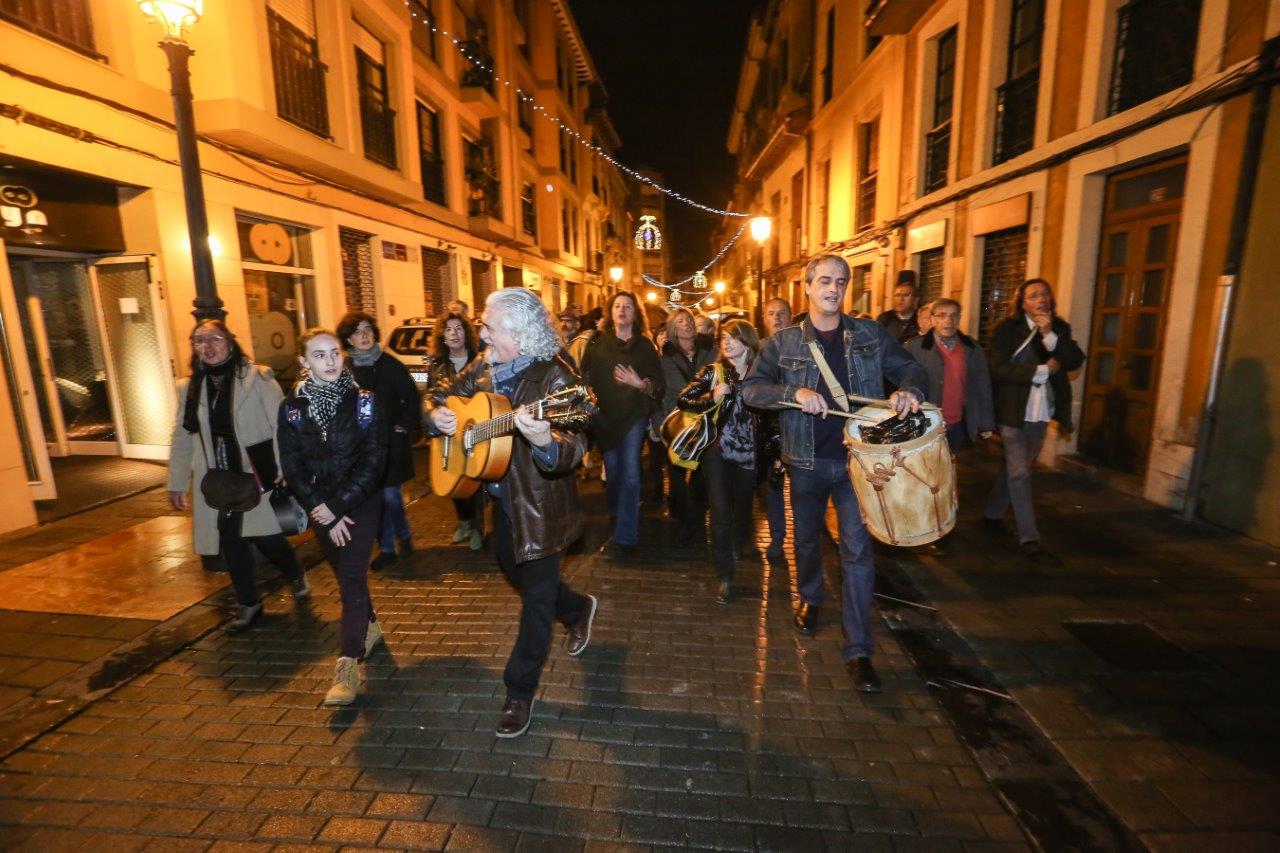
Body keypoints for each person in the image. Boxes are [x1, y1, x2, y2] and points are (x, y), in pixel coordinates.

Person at [743, 254, 927, 693]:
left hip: (855, 462)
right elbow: (751, 389)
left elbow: (912, 367)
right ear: (806, 287)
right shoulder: (783, 343)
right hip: (804, 462)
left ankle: (859, 650)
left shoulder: (868, 333)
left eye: (840, 282)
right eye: (824, 281)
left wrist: (908, 390)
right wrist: (794, 392)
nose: (832, 288)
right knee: (806, 540)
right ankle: (810, 595)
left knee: (858, 553)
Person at [425, 288, 597, 738]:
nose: (481, 334)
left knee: (536, 603)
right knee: (515, 573)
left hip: (541, 508)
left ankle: (519, 691)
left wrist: (544, 442)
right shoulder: (484, 365)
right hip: (501, 502)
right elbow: (440, 392)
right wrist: (438, 417)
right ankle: (577, 608)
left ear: (518, 334)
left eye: (489, 327)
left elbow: (575, 447)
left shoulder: (558, 381)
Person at [167, 320, 309, 633]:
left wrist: (286, 467)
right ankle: (249, 602)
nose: (208, 345)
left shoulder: (257, 378)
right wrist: (177, 482)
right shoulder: (189, 387)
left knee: (268, 538)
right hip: (217, 479)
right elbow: (182, 436)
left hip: (255, 473)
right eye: (199, 340)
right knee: (231, 541)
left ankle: (295, 573)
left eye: (215, 338)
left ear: (230, 342)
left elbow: (281, 425)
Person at [278, 328, 388, 705]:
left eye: (334, 353)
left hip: (361, 501)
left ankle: (348, 665)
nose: (329, 361)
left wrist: (338, 506)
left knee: (352, 579)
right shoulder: (292, 408)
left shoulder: (365, 402)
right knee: (347, 575)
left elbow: (375, 462)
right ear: (303, 362)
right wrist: (320, 508)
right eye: (319, 355)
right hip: (321, 505)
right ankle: (369, 629)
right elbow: (292, 467)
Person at [983, 279, 1085, 558]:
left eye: (1045, 294)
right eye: (1033, 295)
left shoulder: (1060, 328)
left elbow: (1074, 360)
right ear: (1023, 303)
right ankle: (1029, 537)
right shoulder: (1007, 330)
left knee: (1018, 467)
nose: (1040, 299)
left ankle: (992, 512)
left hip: (1041, 412)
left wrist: (1049, 334)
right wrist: (1041, 371)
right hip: (1012, 412)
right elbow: (998, 369)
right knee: (1020, 473)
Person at [677, 319, 761, 604]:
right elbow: (684, 399)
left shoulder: (762, 374)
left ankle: (738, 542)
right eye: (724, 337)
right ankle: (725, 576)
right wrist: (711, 398)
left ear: (748, 342)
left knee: (743, 512)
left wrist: (776, 456)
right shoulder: (714, 372)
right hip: (718, 452)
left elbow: (774, 418)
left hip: (750, 455)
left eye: (733, 337)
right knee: (720, 513)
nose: (726, 342)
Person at [580, 292, 664, 555]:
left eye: (627, 306)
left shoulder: (645, 346)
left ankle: (626, 533)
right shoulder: (597, 342)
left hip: (634, 416)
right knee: (614, 472)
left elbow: (658, 386)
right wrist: (588, 398)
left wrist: (639, 384)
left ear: (636, 313)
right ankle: (617, 512)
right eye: (617, 306)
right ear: (610, 312)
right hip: (604, 417)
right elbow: (584, 376)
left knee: (630, 471)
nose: (622, 310)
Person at [338, 312, 422, 570]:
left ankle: (403, 536)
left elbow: (411, 397)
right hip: (360, 449)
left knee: (391, 497)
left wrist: (403, 426)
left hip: (389, 445)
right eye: (357, 332)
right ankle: (387, 548)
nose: (364, 335)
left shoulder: (390, 364)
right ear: (349, 339)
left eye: (367, 330)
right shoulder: (343, 370)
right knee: (375, 500)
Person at [657, 307, 717, 544]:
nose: (687, 324)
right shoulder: (666, 358)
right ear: (673, 329)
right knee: (677, 474)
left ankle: (697, 516)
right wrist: (660, 422)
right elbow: (662, 392)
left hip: (706, 421)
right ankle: (686, 520)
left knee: (702, 474)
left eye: (689, 320)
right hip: (677, 421)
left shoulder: (710, 351)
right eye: (681, 321)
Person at [904, 298, 995, 452]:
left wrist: (986, 423)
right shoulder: (915, 348)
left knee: (950, 467)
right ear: (932, 319)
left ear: (959, 318)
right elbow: (904, 382)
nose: (948, 320)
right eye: (942, 315)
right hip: (924, 422)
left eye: (954, 315)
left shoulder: (972, 347)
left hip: (959, 423)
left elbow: (983, 385)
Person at [427, 312, 486, 550]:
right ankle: (464, 522)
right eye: (449, 329)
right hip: (450, 429)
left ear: (467, 334)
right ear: (442, 335)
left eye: (459, 328)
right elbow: (430, 394)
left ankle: (478, 529)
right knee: (453, 478)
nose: (454, 333)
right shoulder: (437, 366)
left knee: (475, 478)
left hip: (475, 426)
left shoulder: (479, 360)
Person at [758, 297, 793, 560]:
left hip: (800, 430)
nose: (777, 318)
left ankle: (806, 540)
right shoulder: (757, 352)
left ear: (790, 317)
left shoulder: (803, 349)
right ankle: (777, 539)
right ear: (764, 319)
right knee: (772, 489)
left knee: (804, 491)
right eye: (771, 313)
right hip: (769, 432)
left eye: (782, 313)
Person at [876, 271, 921, 343]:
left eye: (906, 295)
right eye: (897, 295)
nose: (901, 299)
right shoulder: (885, 319)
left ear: (916, 299)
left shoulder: (921, 318)